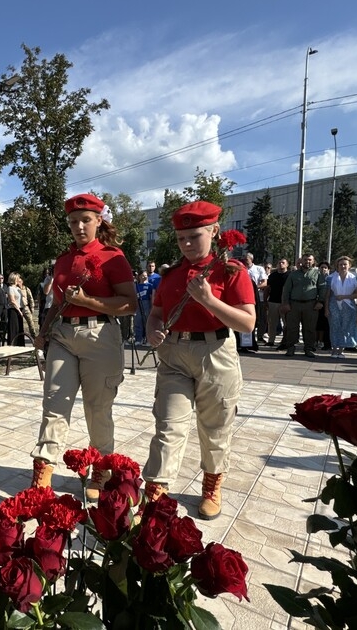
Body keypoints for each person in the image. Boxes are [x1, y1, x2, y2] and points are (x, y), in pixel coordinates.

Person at [142, 201, 255, 520]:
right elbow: (156, 314)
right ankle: (156, 489)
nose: (187, 244)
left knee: (215, 426)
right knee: (168, 425)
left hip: (215, 353)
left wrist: (208, 299)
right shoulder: (171, 275)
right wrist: (152, 331)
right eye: (181, 238)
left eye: (194, 236)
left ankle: (212, 484)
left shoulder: (232, 271)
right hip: (175, 355)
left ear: (214, 232)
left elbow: (247, 323)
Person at [30, 194, 136, 498]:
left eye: (85, 220)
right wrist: (44, 330)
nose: (79, 226)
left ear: (98, 220)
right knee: (54, 403)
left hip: (100, 335)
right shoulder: (63, 260)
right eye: (73, 221)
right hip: (63, 335)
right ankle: (44, 468)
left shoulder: (112, 256)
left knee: (97, 408)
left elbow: (129, 304)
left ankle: (101, 469)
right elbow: (58, 302)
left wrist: (87, 301)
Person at [279, 254, 327, 358]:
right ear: (302, 261)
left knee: (310, 328)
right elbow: (286, 290)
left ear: (313, 261)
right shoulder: (293, 274)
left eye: (310, 260)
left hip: (311, 305)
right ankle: (291, 347)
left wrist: (320, 301)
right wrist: (285, 303)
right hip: (294, 305)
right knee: (292, 327)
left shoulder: (318, 273)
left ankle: (309, 348)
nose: (307, 262)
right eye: (305, 260)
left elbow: (322, 288)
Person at [324, 256, 357, 359]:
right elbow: (327, 295)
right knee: (334, 327)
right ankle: (334, 349)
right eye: (340, 264)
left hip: (348, 305)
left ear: (349, 265)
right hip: (333, 304)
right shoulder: (331, 278)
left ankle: (341, 350)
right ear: (337, 266)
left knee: (345, 327)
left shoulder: (355, 278)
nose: (343, 266)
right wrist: (326, 308)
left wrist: (345, 296)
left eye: (345, 264)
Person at [244, 253, 268, 345]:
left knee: (261, 318)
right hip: (246, 298)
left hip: (258, 297)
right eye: (244, 258)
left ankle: (260, 336)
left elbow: (264, 283)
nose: (245, 260)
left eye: (247, 259)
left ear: (251, 259)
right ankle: (247, 340)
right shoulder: (242, 269)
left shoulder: (259, 269)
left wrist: (253, 287)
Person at [266, 258, 289, 348]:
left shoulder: (290, 275)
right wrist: (265, 301)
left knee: (286, 323)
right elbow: (268, 288)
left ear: (287, 264)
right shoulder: (273, 275)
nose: (281, 264)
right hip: (273, 301)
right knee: (272, 323)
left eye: (283, 263)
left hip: (285, 302)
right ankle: (271, 340)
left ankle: (285, 341)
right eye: (279, 262)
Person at [5, 271, 25, 346]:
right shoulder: (10, 288)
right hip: (14, 309)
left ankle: (20, 344)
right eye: (18, 278)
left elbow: (24, 296)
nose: (19, 279)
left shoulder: (18, 288)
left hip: (20, 308)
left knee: (20, 328)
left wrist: (21, 286)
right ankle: (12, 344)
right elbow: (12, 301)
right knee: (14, 328)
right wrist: (19, 311)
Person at [134, 270, 153, 344]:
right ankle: (139, 339)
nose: (144, 277)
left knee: (147, 322)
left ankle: (148, 339)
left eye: (145, 275)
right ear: (139, 276)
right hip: (138, 304)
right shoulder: (136, 286)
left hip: (146, 303)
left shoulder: (149, 286)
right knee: (138, 321)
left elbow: (152, 297)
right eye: (142, 275)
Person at [17, 274, 38, 338]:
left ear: (22, 282)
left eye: (20, 282)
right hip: (18, 308)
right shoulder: (15, 289)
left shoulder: (26, 288)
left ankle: (34, 336)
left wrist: (32, 307)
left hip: (25, 307)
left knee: (31, 323)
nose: (18, 283)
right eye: (17, 282)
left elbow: (30, 298)